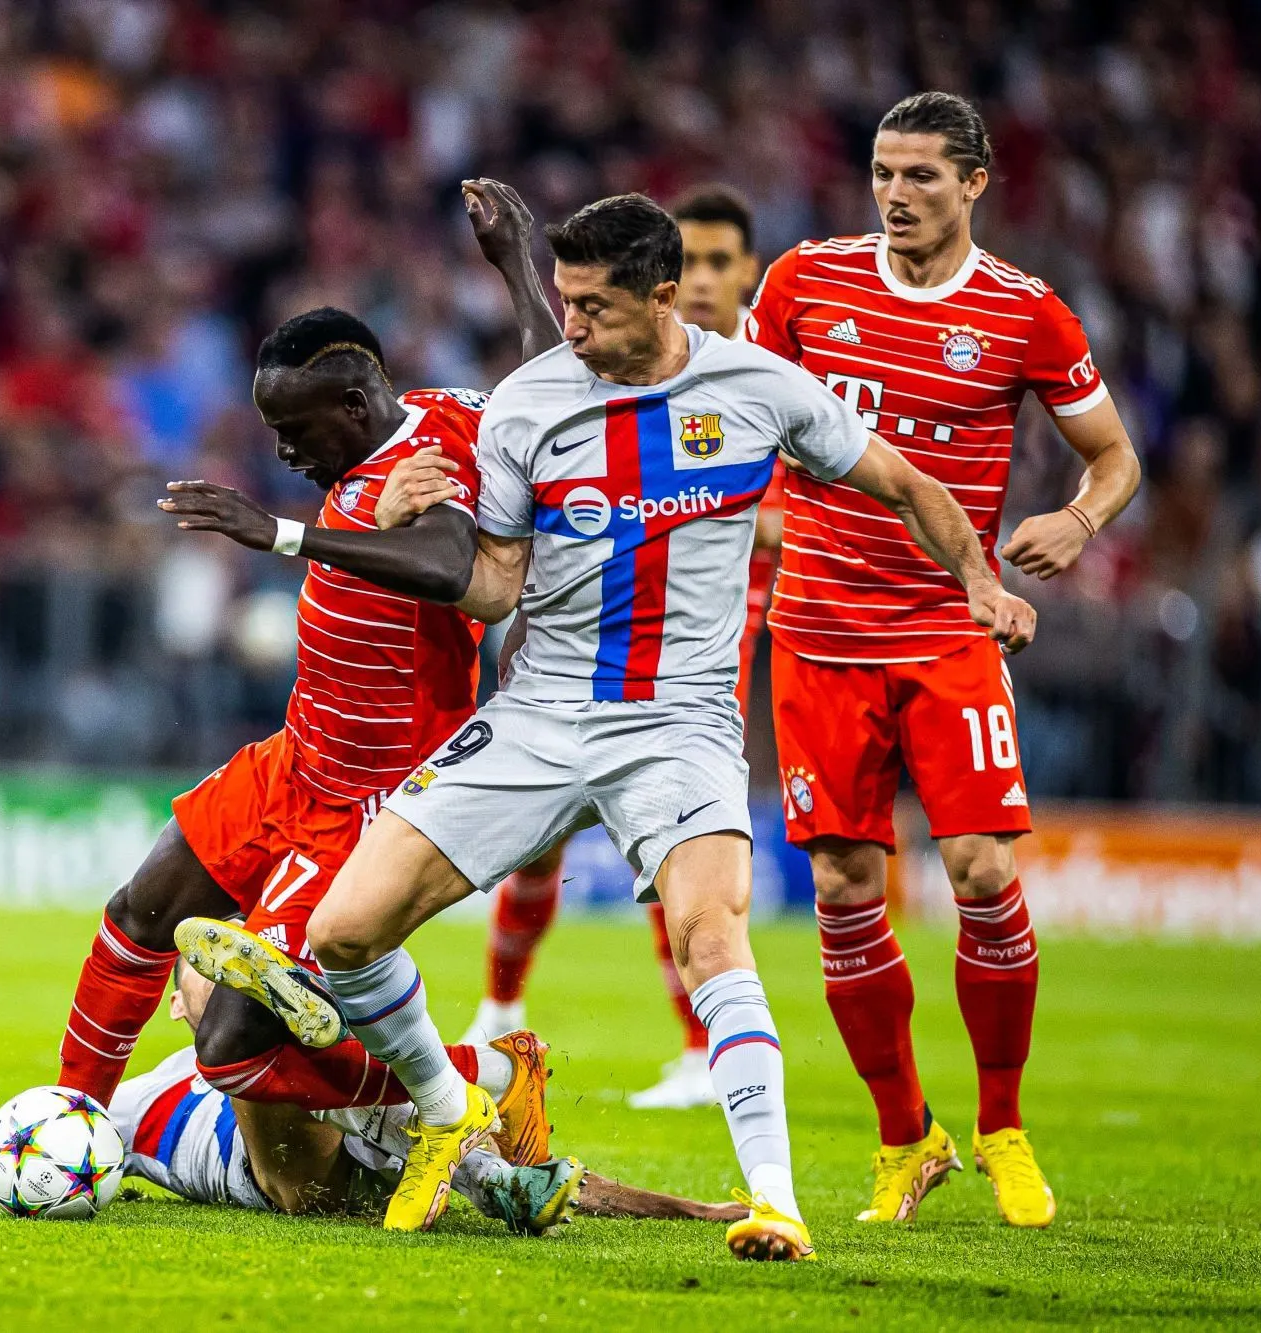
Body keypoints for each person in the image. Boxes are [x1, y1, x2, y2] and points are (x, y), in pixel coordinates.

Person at [176, 191, 1036, 1259]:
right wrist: (359, 527)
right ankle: (449, 1106)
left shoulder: (758, 386)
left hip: (676, 724)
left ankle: (775, 1201)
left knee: (707, 932)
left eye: (589, 306)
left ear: (662, 296)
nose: (567, 324)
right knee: (342, 934)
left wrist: (977, 585)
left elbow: (904, 480)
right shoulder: (529, 404)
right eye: (562, 301)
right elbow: (489, 589)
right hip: (537, 713)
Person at [50, 181, 567, 1203]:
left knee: (234, 1045)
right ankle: (68, 1131)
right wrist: (514, 264)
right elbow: (550, 386)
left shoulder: (424, 455)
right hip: (296, 758)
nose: (285, 454)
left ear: (351, 404)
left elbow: (447, 561)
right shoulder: (420, 421)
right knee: (137, 912)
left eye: (295, 431)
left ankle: (489, 1077)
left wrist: (275, 533)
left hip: (375, 796)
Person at [744, 92, 1142, 1228]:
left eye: (921, 176)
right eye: (881, 172)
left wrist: (1074, 522)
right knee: (840, 887)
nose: (895, 194)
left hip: (943, 629)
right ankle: (900, 1137)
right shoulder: (804, 284)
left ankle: (1002, 1124)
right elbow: (726, 417)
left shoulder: (1025, 313)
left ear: (975, 183)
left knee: (975, 868)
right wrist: (749, 519)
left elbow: (1110, 457)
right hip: (816, 633)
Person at [458, 185, 778, 1114]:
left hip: (710, 659)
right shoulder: (616, 360)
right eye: (700, 259)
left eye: (725, 262)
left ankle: (698, 1050)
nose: (712, 278)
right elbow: (550, 382)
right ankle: (499, 1005)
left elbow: (812, 507)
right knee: (536, 851)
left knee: (682, 861)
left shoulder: (761, 373)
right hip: (577, 637)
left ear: (740, 272)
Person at [0, 960, 752, 1232]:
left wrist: (696, 1209)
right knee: (272, 1077)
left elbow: (572, 1176)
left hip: (336, 1154)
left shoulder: (334, 1078)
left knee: (485, 1160)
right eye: (200, 975)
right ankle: (463, 1105)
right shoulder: (122, 1110)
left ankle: (478, 1140)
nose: (198, 983)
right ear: (176, 1000)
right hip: (291, 1174)